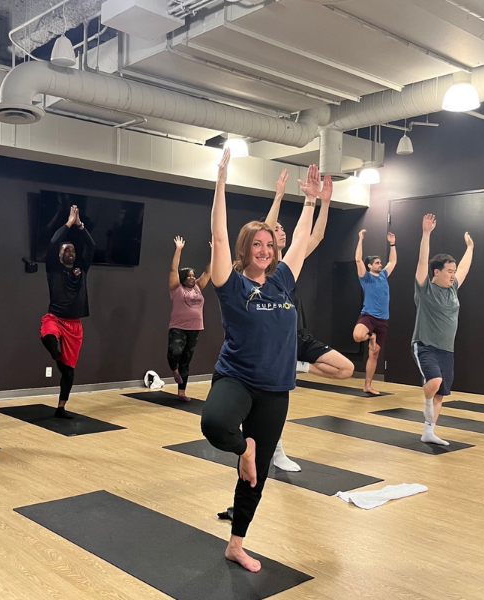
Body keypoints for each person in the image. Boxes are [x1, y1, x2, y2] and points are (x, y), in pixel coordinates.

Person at [200, 149, 317, 572]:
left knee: (256, 476)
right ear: (245, 248)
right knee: (215, 424)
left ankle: (236, 544)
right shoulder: (230, 284)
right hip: (236, 379)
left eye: (269, 244)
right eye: (257, 244)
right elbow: (217, 237)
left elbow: (300, 241)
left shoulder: (283, 280)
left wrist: (310, 201)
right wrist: (221, 180)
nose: (265, 250)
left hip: (275, 389)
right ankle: (243, 449)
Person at [262, 167, 350, 473]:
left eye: (284, 229)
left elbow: (318, 235)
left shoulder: (293, 262)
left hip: (298, 335)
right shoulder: (268, 266)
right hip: (276, 340)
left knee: (344, 368)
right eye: (277, 230)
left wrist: (325, 202)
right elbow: (266, 227)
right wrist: (279, 196)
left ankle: (297, 366)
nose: (281, 231)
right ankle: (277, 451)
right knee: (278, 401)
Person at [411, 214, 474, 445]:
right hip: (425, 345)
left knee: (440, 393)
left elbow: (464, 268)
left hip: (447, 350)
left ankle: (429, 432)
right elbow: (422, 263)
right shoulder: (425, 289)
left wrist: (470, 248)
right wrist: (426, 234)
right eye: (449, 271)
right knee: (435, 381)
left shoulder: (453, 288)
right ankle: (426, 404)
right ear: (436, 272)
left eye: (453, 271)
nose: (453, 274)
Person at [40, 205, 95, 418]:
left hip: (74, 324)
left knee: (69, 372)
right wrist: (69, 223)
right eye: (66, 250)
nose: (70, 252)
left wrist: (81, 226)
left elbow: (91, 245)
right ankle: (55, 351)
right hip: (55, 317)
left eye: (72, 250)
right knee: (49, 335)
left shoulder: (82, 270)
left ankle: (61, 407)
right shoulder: (53, 269)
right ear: (59, 255)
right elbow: (54, 242)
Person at [352, 229, 397, 396]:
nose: (380, 264)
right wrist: (360, 239)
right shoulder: (366, 277)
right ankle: (370, 336)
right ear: (370, 265)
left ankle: (368, 385)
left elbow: (393, 261)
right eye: (377, 263)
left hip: (383, 320)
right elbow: (358, 259)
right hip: (369, 316)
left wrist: (392, 244)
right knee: (358, 336)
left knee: (375, 354)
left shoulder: (384, 275)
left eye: (380, 262)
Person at [167, 236, 210, 400]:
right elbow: (173, 269)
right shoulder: (176, 288)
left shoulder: (198, 287)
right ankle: (174, 370)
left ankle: (181, 392)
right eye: (189, 275)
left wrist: (215, 252)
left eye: (194, 275)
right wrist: (178, 250)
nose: (193, 277)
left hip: (195, 328)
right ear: (183, 277)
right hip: (178, 327)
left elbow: (208, 272)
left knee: (186, 360)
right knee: (175, 351)